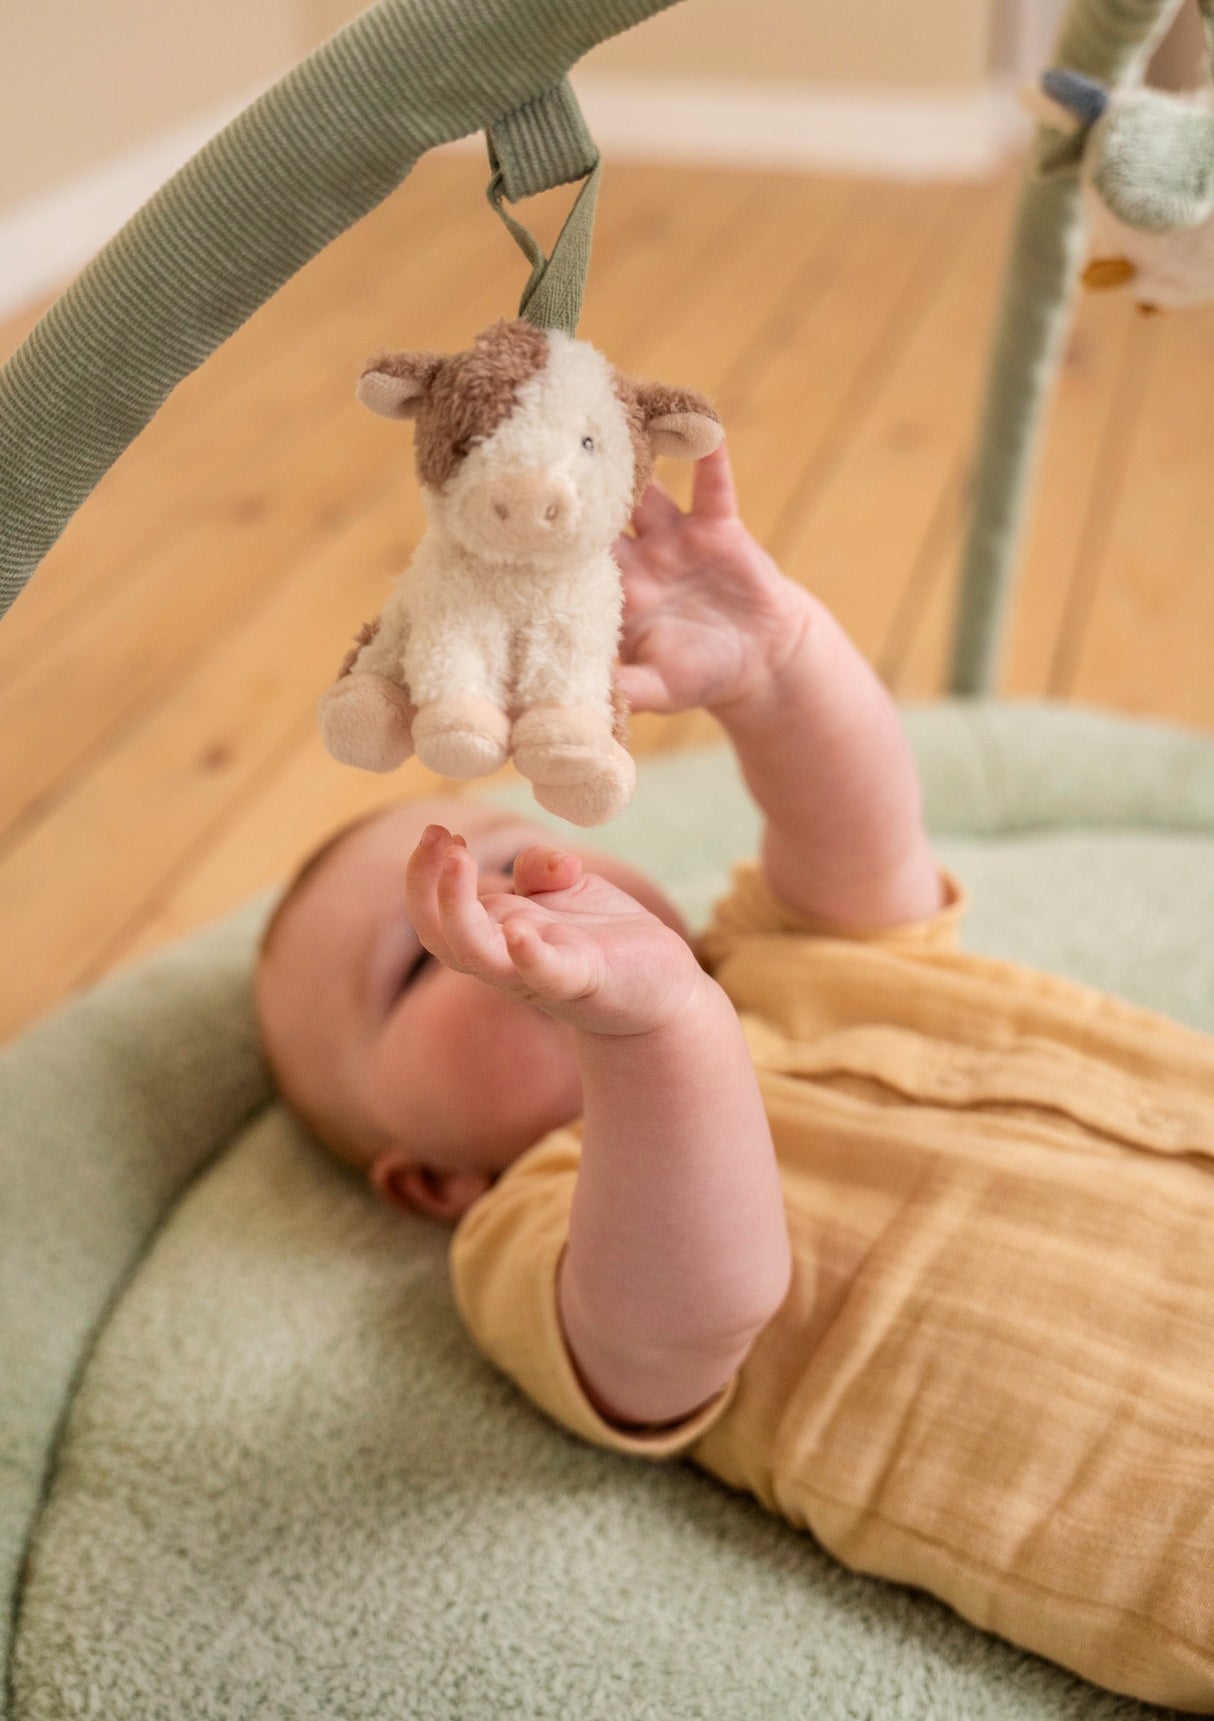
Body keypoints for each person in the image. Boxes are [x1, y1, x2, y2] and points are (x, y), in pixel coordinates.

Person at [256, 446, 1214, 1711]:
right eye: (416, 961)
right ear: (430, 1179)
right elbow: (687, 1319)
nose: (493, 910)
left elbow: (861, 828)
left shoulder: (793, 955)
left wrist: (777, 668)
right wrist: (654, 1032)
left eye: (504, 858)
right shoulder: (538, 1225)